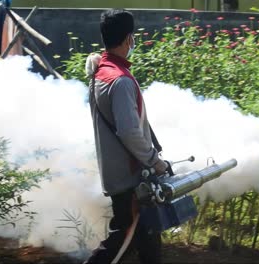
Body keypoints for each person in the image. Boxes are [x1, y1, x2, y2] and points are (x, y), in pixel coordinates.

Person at [85, 8, 168, 264]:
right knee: (119, 242)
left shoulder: (100, 72)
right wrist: (155, 161)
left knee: (149, 244)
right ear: (129, 39)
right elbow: (130, 132)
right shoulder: (119, 80)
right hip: (131, 179)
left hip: (125, 176)